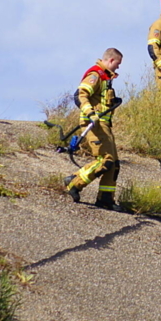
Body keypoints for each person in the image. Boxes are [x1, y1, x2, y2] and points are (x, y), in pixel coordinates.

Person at [64, 48, 124, 210]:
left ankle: (106, 199)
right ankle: (75, 183)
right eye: (117, 64)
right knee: (106, 160)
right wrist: (91, 113)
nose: (118, 68)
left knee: (114, 164)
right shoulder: (95, 75)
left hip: (104, 126)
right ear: (111, 60)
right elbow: (80, 95)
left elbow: (101, 100)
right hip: (94, 125)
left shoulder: (105, 78)